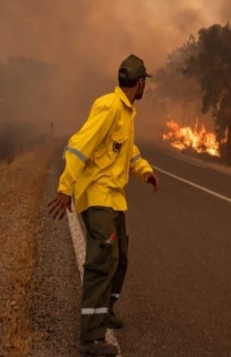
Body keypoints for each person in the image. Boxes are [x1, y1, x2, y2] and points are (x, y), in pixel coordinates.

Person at [48, 54, 160, 356]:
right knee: (100, 262)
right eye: (144, 82)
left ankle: (106, 308)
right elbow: (78, 145)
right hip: (96, 196)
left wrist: (145, 170)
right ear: (139, 84)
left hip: (114, 197)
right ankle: (90, 337)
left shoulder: (127, 113)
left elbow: (129, 150)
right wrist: (64, 188)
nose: (144, 87)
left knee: (120, 257)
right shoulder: (109, 107)